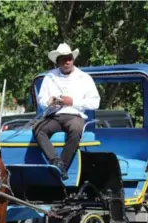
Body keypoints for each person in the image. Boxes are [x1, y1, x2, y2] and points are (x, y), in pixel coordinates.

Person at [33, 43, 100, 180]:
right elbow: (41, 99)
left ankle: (62, 165)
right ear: (58, 61)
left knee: (76, 130)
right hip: (54, 116)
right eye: (64, 59)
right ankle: (55, 161)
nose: (67, 62)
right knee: (38, 129)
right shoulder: (49, 77)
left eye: (69, 58)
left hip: (74, 115)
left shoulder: (84, 78)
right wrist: (49, 101)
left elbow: (95, 102)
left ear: (73, 59)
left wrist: (73, 102)